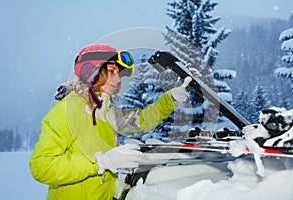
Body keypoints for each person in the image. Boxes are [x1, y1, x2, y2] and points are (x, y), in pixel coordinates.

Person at [29, 43, 191, 200]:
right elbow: (42, 167)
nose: (118, 80)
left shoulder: (106, 111)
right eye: (112, 72)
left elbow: (142, 119)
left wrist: (172, 98)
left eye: (119, 74)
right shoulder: (68, 110)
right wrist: (102, 161)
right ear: (91, 72)